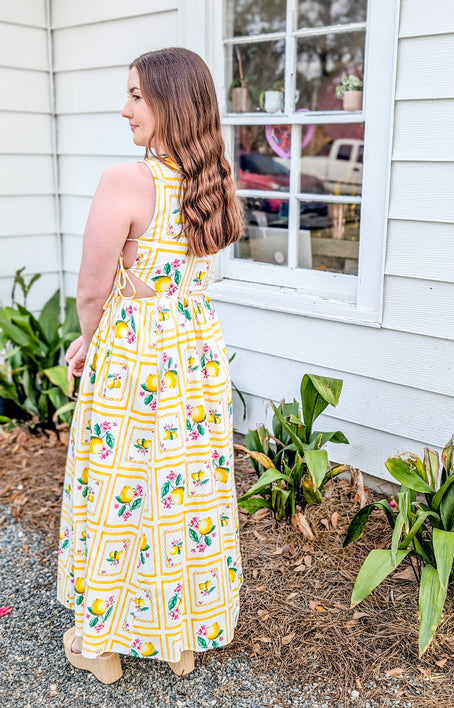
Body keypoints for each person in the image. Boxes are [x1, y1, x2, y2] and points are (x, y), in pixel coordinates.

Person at [56, 47, 244, 684]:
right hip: (193, 354)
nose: (125, 108)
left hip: (136, 356)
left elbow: (90, 287)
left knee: (119, 486)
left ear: (171, 102)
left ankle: (101, 643)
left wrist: (90, 338)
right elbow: (186, 280)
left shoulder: (128, 180)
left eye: (137, 95)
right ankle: (180, 638)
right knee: (184, 492)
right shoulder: (211, 183)